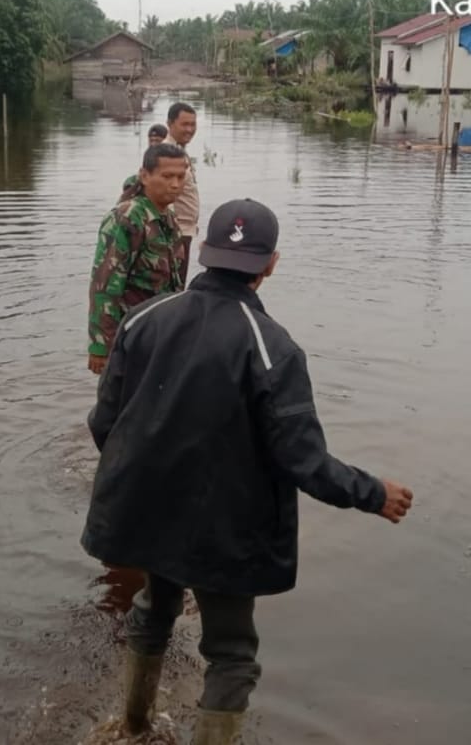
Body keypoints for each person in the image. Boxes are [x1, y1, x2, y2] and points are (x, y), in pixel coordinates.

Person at [81, 198, 414, 744]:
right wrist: (373, 493)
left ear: (205, 254)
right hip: (224, 525)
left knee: (153, 609)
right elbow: (302, 461)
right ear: (271, 264)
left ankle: (130, 727)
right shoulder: (272, 348)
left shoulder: (144, 319)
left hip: (146, 508)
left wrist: (140, 482)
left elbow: (105, 423)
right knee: (232, 654)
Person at [87, 143, 187, 376]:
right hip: (131, 334)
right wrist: (101, 346)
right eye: (167, 176)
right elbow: (104, 284)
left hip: (160, 333)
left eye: (181, 177)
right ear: (144, 175)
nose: (175, 184)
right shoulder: (126, 218)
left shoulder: (169, 219)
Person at [164, 102, 199, 285]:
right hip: (176, 233)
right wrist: (173, 238)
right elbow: (164, 197)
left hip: (183, 231)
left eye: (193, 124)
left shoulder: (178, 150)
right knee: (173, 289)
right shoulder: (167, 154)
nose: (190, 129)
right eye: (184, 124)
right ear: (170, 124)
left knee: (176, 287)